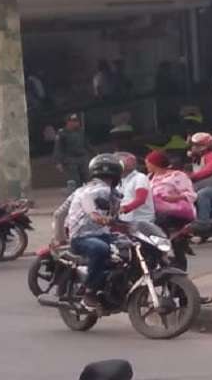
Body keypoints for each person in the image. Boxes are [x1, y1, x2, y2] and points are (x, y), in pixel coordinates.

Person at [51, 154, 123, 311]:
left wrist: (60, 238)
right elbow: (90, 206)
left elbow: (58, 214)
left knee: (130, 246)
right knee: (100, 249)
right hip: (83, 238)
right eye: (106, 178)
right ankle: (89, 293)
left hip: (103, 235)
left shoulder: (109, 194)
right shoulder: (89, 192)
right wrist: (96, 216)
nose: (107, 181)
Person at [54, 113, 93, 193]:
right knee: (75, 180)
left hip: (82, 158)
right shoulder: (62, 133)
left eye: (76, 121)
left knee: (87, 178)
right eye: (73, 121)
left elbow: (86, 144)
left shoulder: (80, 131)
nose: (76, 123)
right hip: (70, 159)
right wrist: (58, 162)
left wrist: (95, 153)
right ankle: (76, 196)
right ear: (68, 122)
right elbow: (58, 148)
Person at [115, 152, 154, 224]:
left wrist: (122, 209)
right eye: (128, 161)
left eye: (133, 161)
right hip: (125, 220)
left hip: (141, 221)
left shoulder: (140, 177)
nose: (132, 163)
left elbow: (140, 199)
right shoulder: (118, 181)